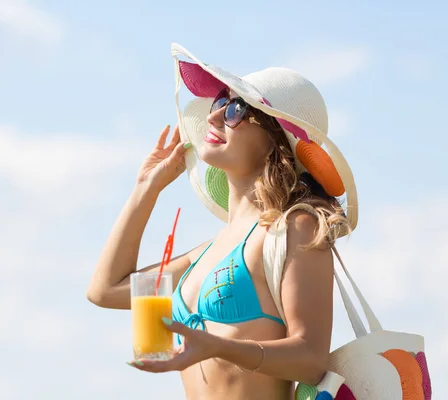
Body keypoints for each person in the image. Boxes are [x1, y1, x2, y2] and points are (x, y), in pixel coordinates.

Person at [86, 43, 358, 400]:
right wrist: (145, 190)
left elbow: (310, 359)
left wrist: (217, 346)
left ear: (276, 141)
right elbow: (104, 291)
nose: (214, 117)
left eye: (236, 109)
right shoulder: (206, 252)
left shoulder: (294, 228)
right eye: (219, 104)